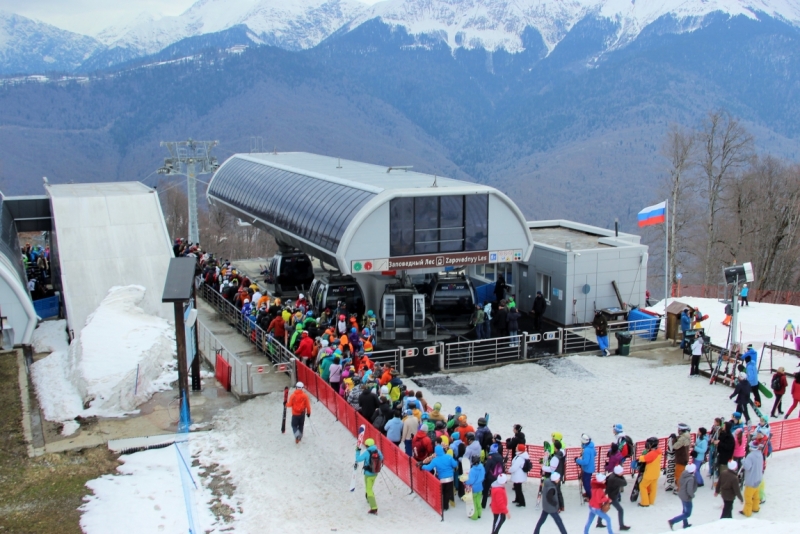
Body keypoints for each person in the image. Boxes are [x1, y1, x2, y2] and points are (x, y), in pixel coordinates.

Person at [422, 445, 459, 511]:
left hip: (441, 479)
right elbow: (455, 464)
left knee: (441, 493)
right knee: (447, 493)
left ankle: (439, 505)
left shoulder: (435, 460)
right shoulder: (449, 457)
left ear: (436, 452)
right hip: (450, 478)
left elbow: (428, 468)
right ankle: (446, 506)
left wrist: (422, 466)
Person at [355, 438, 383, 515]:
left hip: (368, 473)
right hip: (375, 473)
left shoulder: (367, 452)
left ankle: (374, 507)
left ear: (367, 445)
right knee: (369, 486)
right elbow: (381, 458)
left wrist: (357, 451)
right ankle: (368, 498)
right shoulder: (377, 451)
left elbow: (358, 459)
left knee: (369, 489)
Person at [668, 463, 698, 530]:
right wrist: (692, 495)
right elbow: (689, 490)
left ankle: (685, 524)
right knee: (687, 513)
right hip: (687, 497)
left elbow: (680, 482)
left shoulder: (684, 473)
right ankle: (672, 521)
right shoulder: (691, 479)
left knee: (684, 510)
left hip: (681, 494)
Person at [741, 441, 764, 517]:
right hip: (758, 478)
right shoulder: (760, 454)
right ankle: (755, 508)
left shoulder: (750, 456)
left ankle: (747, 512)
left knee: (748, 496)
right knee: (756, 496)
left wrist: (743, 461)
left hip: (751, 480)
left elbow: (747, 467)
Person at [638, 437, 663, 507]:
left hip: (649, 474)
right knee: (653, 488)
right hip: (656, 473)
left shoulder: (652, 453)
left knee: (642, 486)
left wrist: (640, 457)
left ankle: (645, 502)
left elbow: (643, 458)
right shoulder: (659, 451)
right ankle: (651, 501)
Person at [606, 465, 630, 531]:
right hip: (612, 496)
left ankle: (599, 522)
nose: (623, 472)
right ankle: (621, 526)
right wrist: (622, 476)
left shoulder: (613, 475)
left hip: (610, 495)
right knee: (620, 510)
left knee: (604, 508)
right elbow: (625, 483)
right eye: (621, 471)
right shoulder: (615, 479)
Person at [575, 433, 596, 501]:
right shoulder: (591, 446)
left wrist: (577, 460)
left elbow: (585, 462)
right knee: (587, 482)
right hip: (591, 467)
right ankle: (588, 493)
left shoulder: (586, 450)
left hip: (587, 469)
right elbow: (595, 454)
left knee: (586, 483)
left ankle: (590, 497)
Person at [483, 443, 504, 509]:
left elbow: (487, 467)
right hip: (497, 476)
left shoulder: (490, 457)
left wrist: (484, 476)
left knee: (486, 491)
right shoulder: (500, 456)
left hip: (490, 476)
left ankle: (483, 504)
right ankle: (494, 504)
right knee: (495, 491)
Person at [463, 455, 485, 520]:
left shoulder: (472, 470)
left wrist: (465, 482)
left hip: (474, 488)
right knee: (478, 501)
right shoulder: (482, 467)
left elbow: (471, 480)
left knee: (474, 502)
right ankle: (479, 514)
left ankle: (474, 515)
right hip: (480, 487)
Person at [673, 424, 691, 492]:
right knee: (682, 474)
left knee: (678, 475)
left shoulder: (682, 438)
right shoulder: (688, 436)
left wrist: (674, 439)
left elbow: (675, 446)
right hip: (685, 458)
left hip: (681, 459)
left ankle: (679, 489)